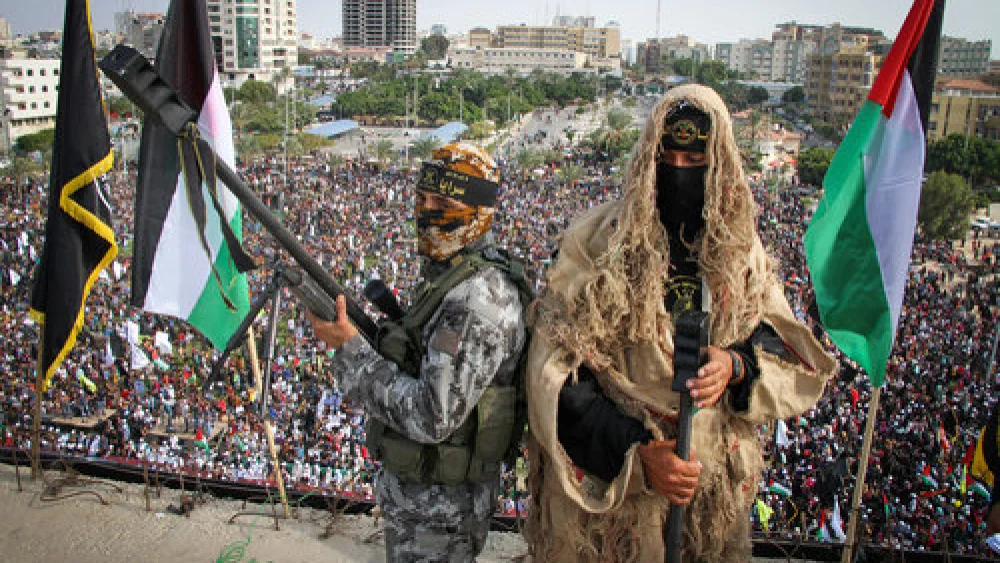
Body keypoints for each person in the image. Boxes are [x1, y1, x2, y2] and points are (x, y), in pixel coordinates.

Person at [523, 84, 839, 562]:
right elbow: (553, 373)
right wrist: (638, 454)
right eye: (667, 159)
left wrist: (734, 367)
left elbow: (780, 345)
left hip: (706, 498)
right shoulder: (595, 245)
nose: (679, 175)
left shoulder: (740, 257)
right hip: (615, 509)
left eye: (695, 164)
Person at [307, 142, 531, 561]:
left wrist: (351, 350)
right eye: (421, 198)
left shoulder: (475, 299)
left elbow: (432, 416)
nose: (426, 210)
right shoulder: (452, 272)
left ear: (477, 211)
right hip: (426, 503)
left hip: (442, 512)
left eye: (442, 201)